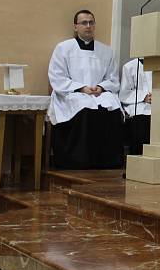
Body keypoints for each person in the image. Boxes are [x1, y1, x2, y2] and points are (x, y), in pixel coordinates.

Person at [48, 10, 124, 169]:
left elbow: (113, 78)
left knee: (113, 109)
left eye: (91, 22)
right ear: (76, 27)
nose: (88, 26)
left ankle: (107, 161)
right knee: (84, 109)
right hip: (72, 93)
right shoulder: (63, 48)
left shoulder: (106, 50)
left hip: (99, 93)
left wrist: (101, 87)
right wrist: (81, 88)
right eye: (84, 23)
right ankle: (79, 161)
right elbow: (57, 77)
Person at [119, 57, 152, 156]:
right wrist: (144, 96)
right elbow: (125, 93)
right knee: (141, 120)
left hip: (158, 104)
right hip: (138, 104)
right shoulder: (129, 67)